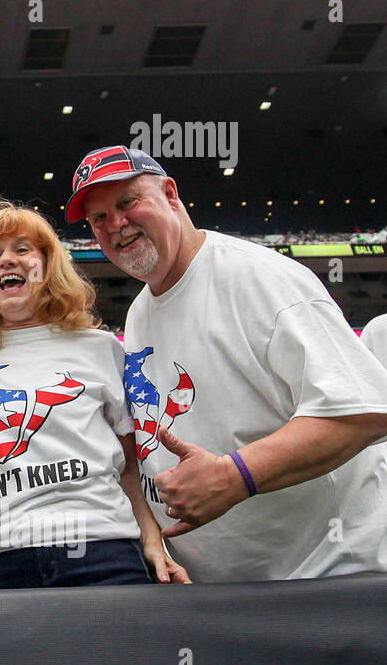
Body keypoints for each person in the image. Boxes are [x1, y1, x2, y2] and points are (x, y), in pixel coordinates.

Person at [68, 144, 387, 581]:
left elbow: (364, 410)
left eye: (128, 202)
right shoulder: (141, 310)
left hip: (324, 583)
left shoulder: (257, 278)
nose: (116, 225)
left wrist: (236, 475)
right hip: (225, 598)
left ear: (171, 194)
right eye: (98, 218)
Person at [0, 200, 186, 588]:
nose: (6, 260)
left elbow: (129, 463)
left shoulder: (101, 348)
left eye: (22, 249)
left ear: (48, 264)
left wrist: (153, 539)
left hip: (102, 549)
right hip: (0, 561)